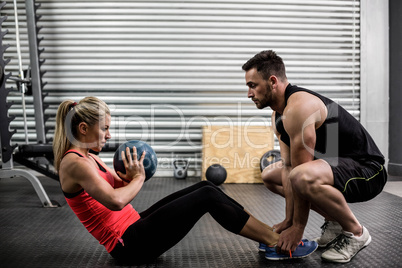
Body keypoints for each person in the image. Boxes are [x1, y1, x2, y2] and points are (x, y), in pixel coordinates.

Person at [52, 96, 317, 265]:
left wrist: (128, 176)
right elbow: (116, 201)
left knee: (206, 187)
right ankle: (274, 244)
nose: (109, 135)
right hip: (128, 245)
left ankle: (267, 236)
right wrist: (139, 178)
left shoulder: (89, 158)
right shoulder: (74, 163)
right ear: (83, 129)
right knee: (207, 197)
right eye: (105, 128)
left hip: (133, 226)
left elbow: (116, 187)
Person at [242, 50, 387, 263]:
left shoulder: (299, 108)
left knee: (303, 176)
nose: (249, 93)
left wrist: (298, 228)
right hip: (336, 168)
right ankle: (335, 221)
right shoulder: (279, 114)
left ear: (272, 81)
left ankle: (356, 232)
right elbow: (289, 168)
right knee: (271, 175)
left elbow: (301, 174)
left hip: (368, 171)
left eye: (252, 85)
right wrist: (289, 221)